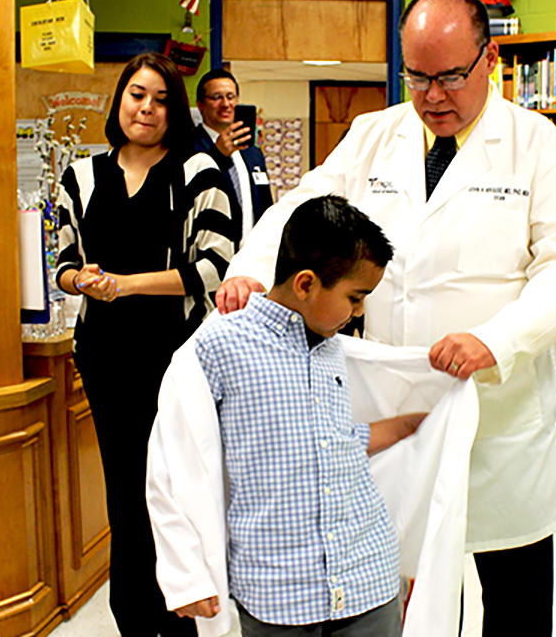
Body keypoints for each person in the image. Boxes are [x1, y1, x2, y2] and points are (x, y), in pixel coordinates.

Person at [214, 0, 556, 634]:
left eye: (451, 75)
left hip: (498, 423)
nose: (433, 95)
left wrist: (496, 339)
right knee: (417, 604)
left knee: (516, 605)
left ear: (491, 58)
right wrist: (254, 269)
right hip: (406, 418)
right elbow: (303, 206)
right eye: (418, 77)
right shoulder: (375, 135)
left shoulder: (535, 146)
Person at [148, 195, 426, 636]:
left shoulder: (333, 345)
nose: (359, 312)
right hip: (279, 592)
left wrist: (411, 424)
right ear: (305, 284)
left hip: (366, 578)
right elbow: (172, 464)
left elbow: (325, 441)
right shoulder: (216, 347)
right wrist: (186, 574)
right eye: (355, 298)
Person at [55, 52, 238, 637]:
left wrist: (127, 285)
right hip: (105, 361)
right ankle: (133, 620)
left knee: (173, 494)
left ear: (175, 110)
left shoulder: (198, 171)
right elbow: (62, 261)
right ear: (120, 99)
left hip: (173, 361)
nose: (147, 108)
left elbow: (213, 266)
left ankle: (179, 618)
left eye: (160, 99)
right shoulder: (82, 177)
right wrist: (81, 280)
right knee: (126, 501)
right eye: (138, 94)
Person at [194, 68, 274, 246]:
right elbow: (191, 192)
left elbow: (265, 204)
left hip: (251, 255)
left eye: (231, 97)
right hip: (207, 254)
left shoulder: (253, 153)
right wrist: (217, 155)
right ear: (200, 104)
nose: (225, 104)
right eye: (216, 97)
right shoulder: (188, 148)